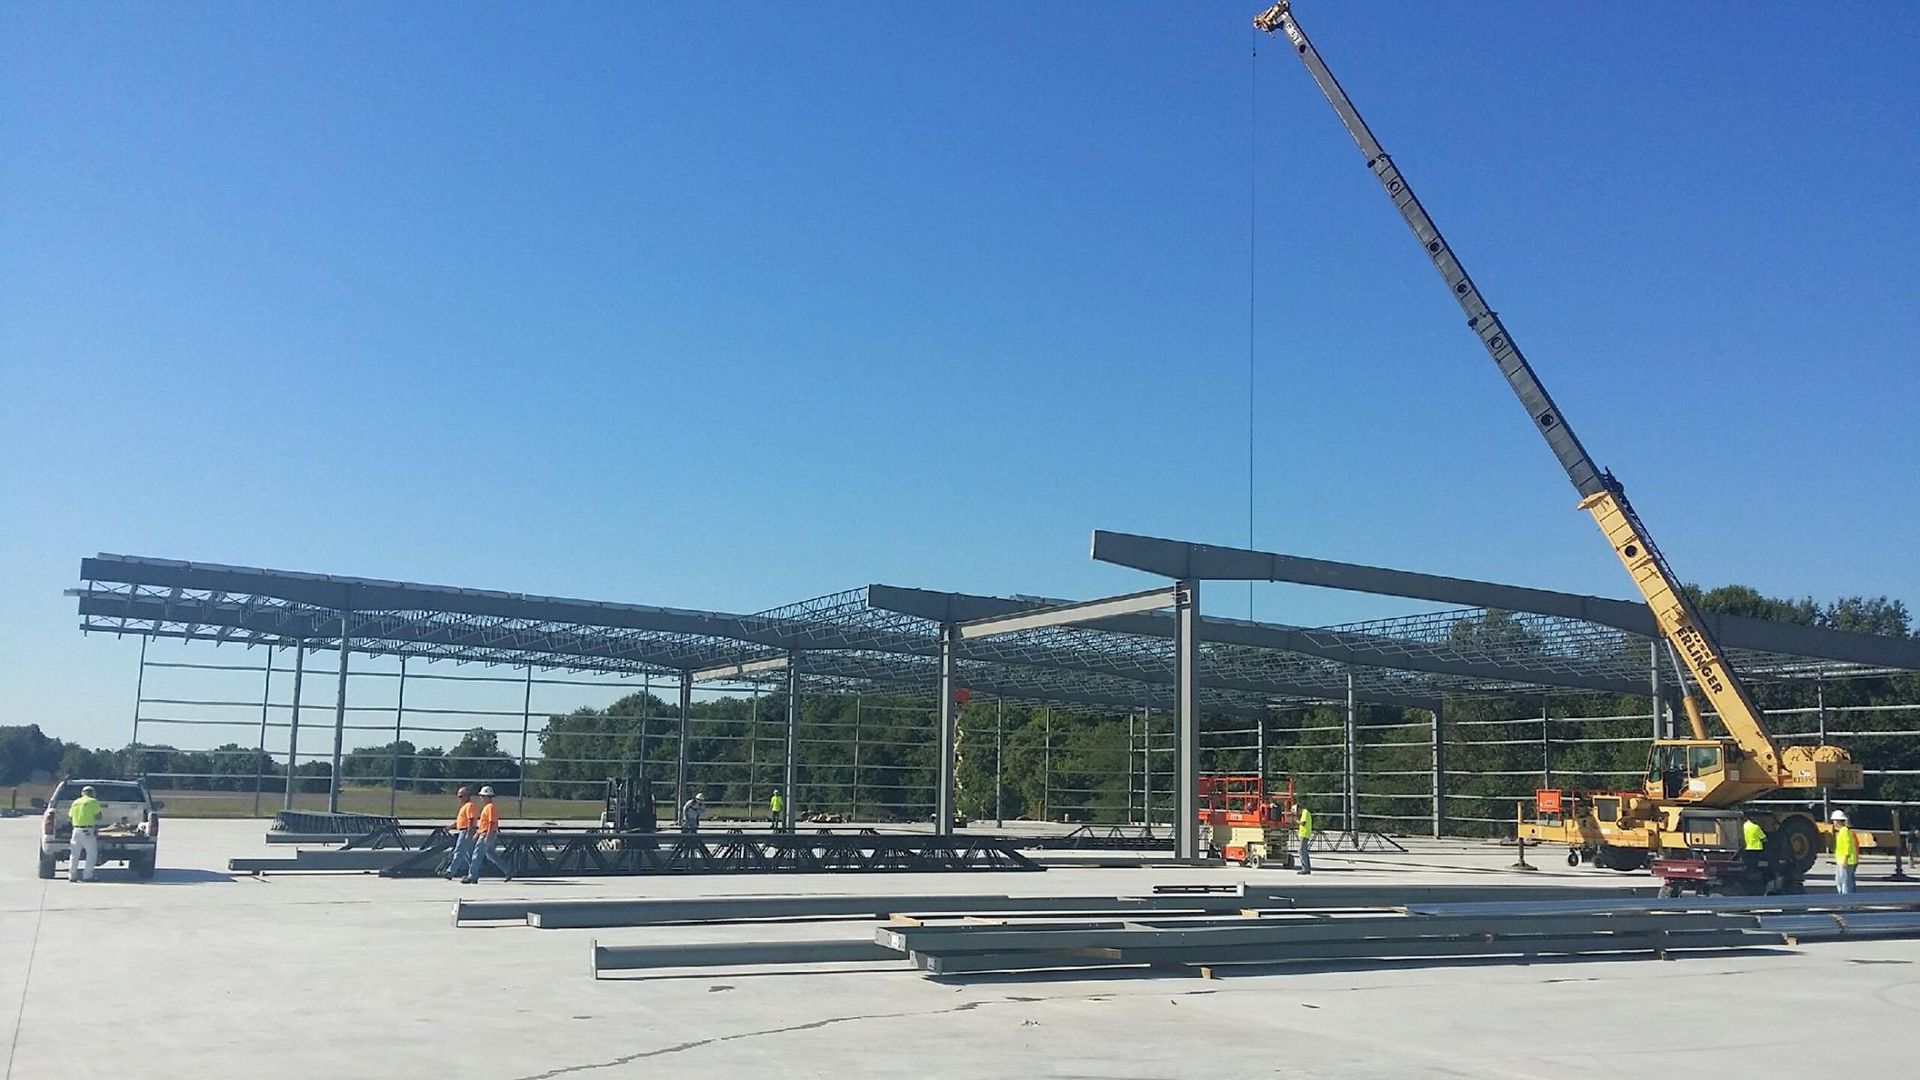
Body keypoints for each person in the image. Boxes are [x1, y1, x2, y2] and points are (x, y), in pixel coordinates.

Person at [461, 786, 512, 884]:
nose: (481, 798)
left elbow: (491, 822)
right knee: (491, 855)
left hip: (487, 834)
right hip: (485, 833)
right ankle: (508, 870)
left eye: (482, 796)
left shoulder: (490, 807)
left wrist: (487, 835)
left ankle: (472, 876)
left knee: (477, 854)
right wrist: (478, 833)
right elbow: (485, 823)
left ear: (487, 797)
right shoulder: (488, 807)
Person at [67, 784, 103, 883]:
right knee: (91, 853)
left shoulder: (75, 802)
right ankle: (88, 876)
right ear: (92, 793)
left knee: (74, 854)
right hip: (87, 830)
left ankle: (72, 875)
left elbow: (70, 817)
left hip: (75, 830)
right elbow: (99, 816)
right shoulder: (93, 801)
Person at [443, 786, 476, 879]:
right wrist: (450, 827)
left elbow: (471, 819)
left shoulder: (469, 806)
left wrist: (469, 832)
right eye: (458, 796)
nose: (459, 799)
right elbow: (460, 821)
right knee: (468, 854)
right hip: (464, 830)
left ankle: (450, 871)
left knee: (459, 851)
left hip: (466, 831)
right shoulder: (464, 807)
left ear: (467, 796)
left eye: (461, 796)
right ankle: (473, 872)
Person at [1831, 809, 1858, 894]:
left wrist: (1845, 859)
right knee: (1842, 881)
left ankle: (1847, 903)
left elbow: (1847, 846)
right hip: (1842, 861)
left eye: (1834, 820)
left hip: (1846, 862)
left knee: (1845, 883)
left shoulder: (1844, 831)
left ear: (1839, 821)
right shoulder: (1843, 831)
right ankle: (1847, 902)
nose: (1833, 823)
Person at [1742, 816, 1768, 881]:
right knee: (1755, 865)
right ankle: (1755, 878)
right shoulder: (1756, 827)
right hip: (1756, 849)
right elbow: (1764, 839)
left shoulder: (1743, 827)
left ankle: (1748, 876)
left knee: (1749, 864)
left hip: (1747, 848)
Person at [1295, 804, 1314, 875]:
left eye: (1297, 811)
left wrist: (1296, 821)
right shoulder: (1304, 813)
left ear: (1299, 808)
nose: (1297, 813)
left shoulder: (1305, 812)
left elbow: (1303, 823)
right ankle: (1307, 868)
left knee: (1301, 850)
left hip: (1305, 834)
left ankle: (1305, 868)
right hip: (1304, 834)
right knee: (1304, 851)